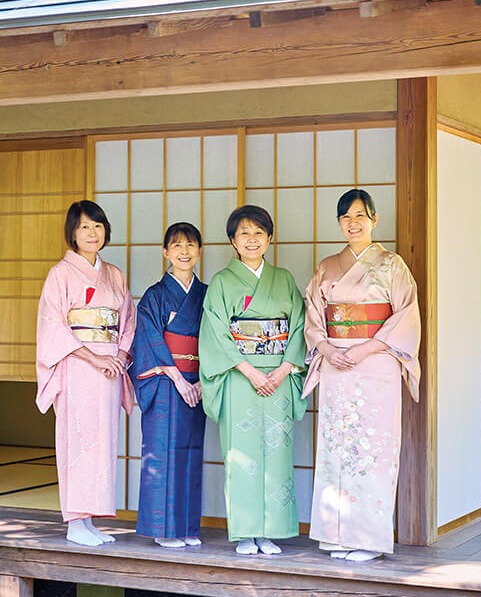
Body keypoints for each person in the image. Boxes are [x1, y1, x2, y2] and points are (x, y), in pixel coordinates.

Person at [303, 188, 420, 562]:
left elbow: (406, 316)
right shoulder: (326, 266)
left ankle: (368, 539)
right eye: (345, 218)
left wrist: (364, 348)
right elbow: (314, 316)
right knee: (337, 449)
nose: (352, 224)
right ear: (339, 223)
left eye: (359, 216)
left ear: (374, 220)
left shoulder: (392, 265)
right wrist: (326, 350)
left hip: (376, 362)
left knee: (372, 449)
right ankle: (337, 534)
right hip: (337, 364)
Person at [198, 205, 307, 556]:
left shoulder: (285, 280)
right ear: (232, 240)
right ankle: (246, 532)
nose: (252, 239)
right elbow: (215, 331)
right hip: (240, 376)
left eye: (259, 233)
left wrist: (283, 369)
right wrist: (250, 370)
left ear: (270, 238)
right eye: (244, 233)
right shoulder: (222, 282)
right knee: (240, 454)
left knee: (277, 452)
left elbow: (300, 328)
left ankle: (271, 531)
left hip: (277, 375)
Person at [35, 200, 135, 547]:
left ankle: (89, 519)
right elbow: (53, 325)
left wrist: (119, 355)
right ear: (72, 234)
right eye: (84, 227)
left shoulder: (115, 274)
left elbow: (127, 321)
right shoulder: (60, 274)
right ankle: (74, 521)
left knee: (103, 442)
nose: (92, 233)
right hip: (78, 366)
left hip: (109, 368)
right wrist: (94, 358)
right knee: (78, 440)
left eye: (98, 226)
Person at [130, 222, 207, 548]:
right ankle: (163, 529)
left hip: (198, 382)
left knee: (191, 452)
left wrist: (204, 379)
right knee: (163, 452)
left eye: (190, 245)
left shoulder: (206, 294)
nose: (184, 252)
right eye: (177, 246)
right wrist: (177, 378)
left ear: (200, 251)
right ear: (165, 252)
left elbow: (216, 338)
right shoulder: (155, 295)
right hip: (165, 381)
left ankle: (187, 526)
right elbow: (147, 339)